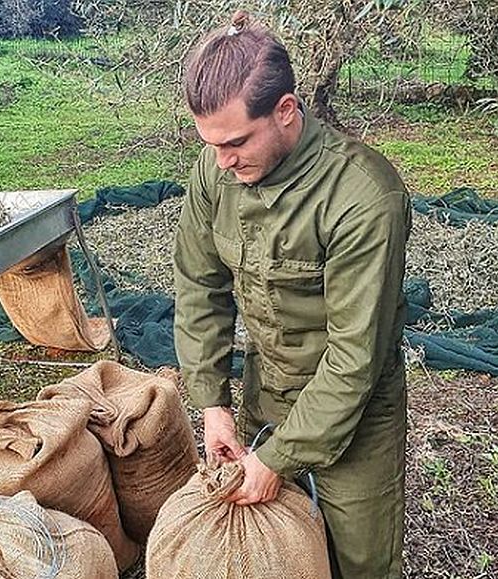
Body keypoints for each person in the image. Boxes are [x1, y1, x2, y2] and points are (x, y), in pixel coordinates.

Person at [173, 10, 412, 579]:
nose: (223, 162)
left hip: (354, 415)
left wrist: (279, 457)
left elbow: (355, 358)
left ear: (286, 110)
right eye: (210, 145)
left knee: (359, 561)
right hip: (266, 390)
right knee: (272, 554)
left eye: (235, 142)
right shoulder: (215, 170)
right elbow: (199, 289)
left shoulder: (363, 197)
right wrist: (212, 403)